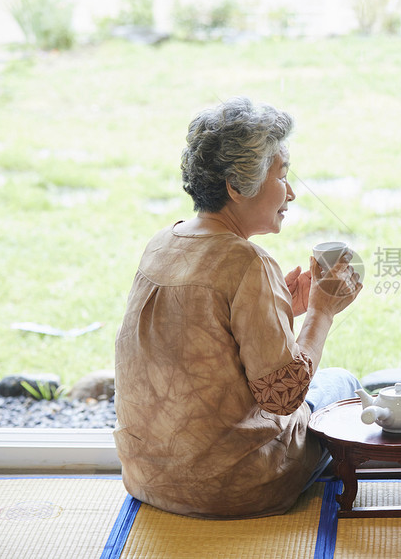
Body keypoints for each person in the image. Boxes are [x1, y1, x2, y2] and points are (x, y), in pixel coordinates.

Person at [114, 97, 363, 518]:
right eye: (282, 176)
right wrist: (322, 310)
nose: (292, 193)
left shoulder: (162, 242)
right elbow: (284, 397)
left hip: (147, 478)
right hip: (234, 487)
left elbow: (203, 343)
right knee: (343, 386)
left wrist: (282, 305)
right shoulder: (249, 261)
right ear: (236, 186)